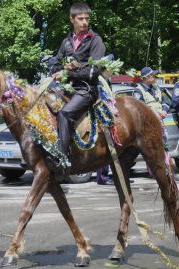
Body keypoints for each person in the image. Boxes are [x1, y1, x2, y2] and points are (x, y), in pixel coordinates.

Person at [47, 3, 106, 180]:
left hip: (86, 90)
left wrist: (68, 71)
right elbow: (55, 63)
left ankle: (61, 159)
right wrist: (58, 68)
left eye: (87, 18)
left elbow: (94, 70)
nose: (84, 22)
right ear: (72, 19)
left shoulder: (95, 40)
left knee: (64, 115)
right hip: (66, 88)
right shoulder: (66, 42)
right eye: (80, 18)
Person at [96, 55, 115, 186]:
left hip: (109, 116)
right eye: (112, 67)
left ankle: (107, 174)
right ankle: (102, 177)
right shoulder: (99, 80)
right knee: (104, 147)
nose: (113, 70)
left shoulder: (106, 80)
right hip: (102, 117)